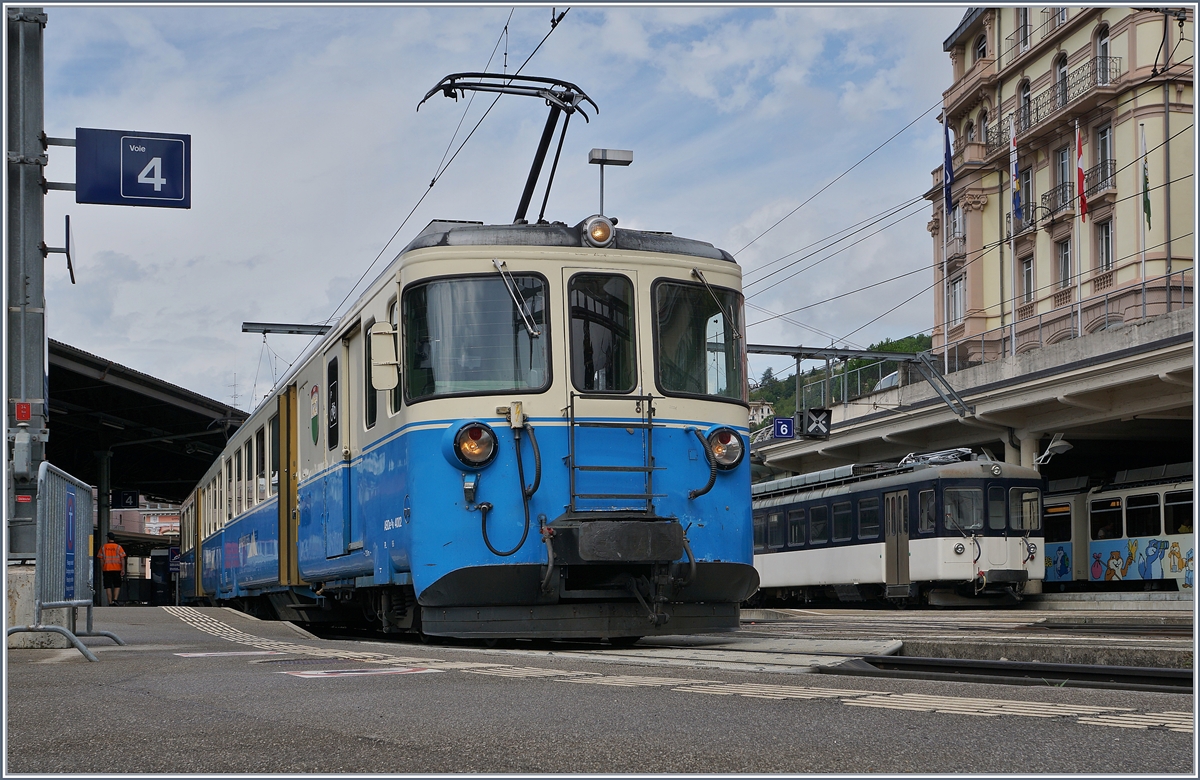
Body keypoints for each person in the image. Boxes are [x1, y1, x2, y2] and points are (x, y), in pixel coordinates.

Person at [97, 532, 127, 605]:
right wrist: (123, 569)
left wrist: (102, 568)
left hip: (107, 569)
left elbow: (101, 559)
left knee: (108, 586)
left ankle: (110, 602)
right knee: (117, 585)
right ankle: (115, 600)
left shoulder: (103, 547)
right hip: (117, 569)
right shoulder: (118, 547)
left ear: (108, 538)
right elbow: (122, 559)